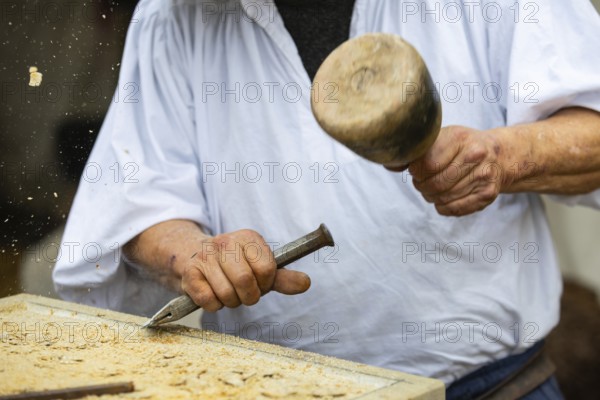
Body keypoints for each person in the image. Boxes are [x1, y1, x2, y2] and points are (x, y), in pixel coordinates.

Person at [54, 0, 600, 398]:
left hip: (494, 387)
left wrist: (503, 157)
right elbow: (137, 195)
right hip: (269, 389)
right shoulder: (174, 14)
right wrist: (194, 254)